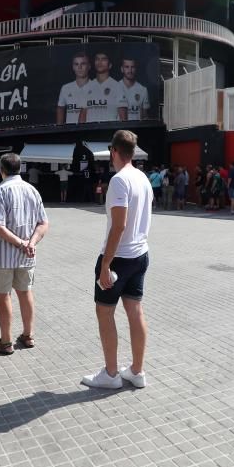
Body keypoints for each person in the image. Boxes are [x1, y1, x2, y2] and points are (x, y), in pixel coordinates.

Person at [81, 130, 152, 390]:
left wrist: (105, 265)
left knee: (105, 312)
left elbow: (119, 226)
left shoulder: (120, 181)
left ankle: (111, 374)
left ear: (114, 151)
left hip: (120, 258)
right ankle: (137, 370)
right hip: (140, 254)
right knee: (135, 311)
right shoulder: (142, 177)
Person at [0, 152, 49, 355]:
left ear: (1, 169)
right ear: (20, 168)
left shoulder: (1, 191)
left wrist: (21, 243)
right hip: (27, 255)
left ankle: (5, 342)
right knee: (25, 292)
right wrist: (31, 243)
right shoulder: (32, 190)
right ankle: (28, 335)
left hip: (4, 255)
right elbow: (44, 223)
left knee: (3, 296)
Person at [82, 52, 128, 122]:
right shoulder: (87, 87)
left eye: (103, 59)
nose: (100, 62)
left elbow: (123, 118)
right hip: (90, 132)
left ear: (110, 65)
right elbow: (82, 117)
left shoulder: (118, 86)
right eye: (97, 59)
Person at [56, 52, 91, 124]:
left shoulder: (96, 87)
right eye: (76, 64)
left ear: (89, 66)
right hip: (70, 133)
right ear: (73, 67)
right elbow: (60, 109)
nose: (79, 67)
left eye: (83, 64)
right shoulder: (65, 88)